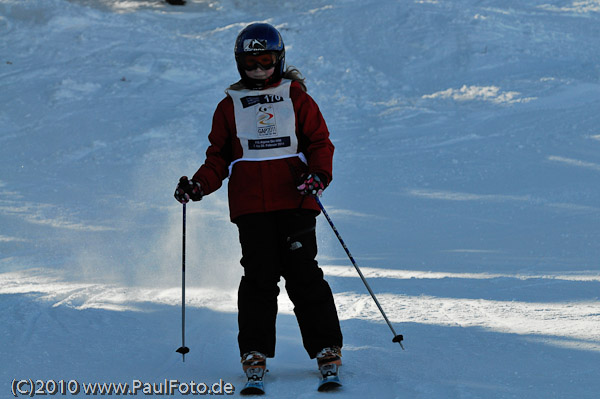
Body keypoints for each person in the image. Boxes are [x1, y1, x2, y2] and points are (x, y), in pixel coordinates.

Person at [174, 23, 343, 381]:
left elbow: (319, 143)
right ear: (239, 64)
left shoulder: (296, 98)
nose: (258, 69)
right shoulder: (229, 106)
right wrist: (199, 185)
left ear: (279, 60)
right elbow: (218, 157)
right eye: (250, 62)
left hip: (295, 200)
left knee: (303, 275)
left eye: (265, 60)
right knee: (259, 279)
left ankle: (326, 346)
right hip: (251, 207)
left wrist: (319, 175)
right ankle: (254, 349)